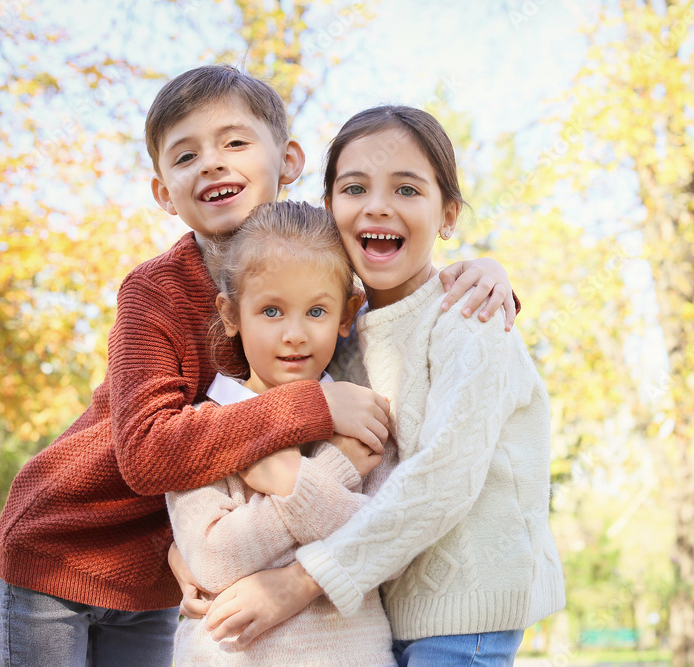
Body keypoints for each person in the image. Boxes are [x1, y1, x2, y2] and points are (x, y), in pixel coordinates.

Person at [0, 65, 515, 667]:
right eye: (186, 155)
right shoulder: (153, 292)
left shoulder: (314, 267)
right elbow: (148, 452)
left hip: (170, 568)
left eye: (235, 142)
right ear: (164, 192)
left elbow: (391, 293)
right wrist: (313, 406)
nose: (213, 163)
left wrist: (480, 278)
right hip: (61, 547)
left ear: (288, 160)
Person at [202, 106, 566, 666]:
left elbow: (444, 478)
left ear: (447, 213)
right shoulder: (337, 337)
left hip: (463, 621)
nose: (378, 205)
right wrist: (185, 559)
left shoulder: (470, 316)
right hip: (378, 617)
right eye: (354, 187)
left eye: (406, 188)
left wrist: (298, 583)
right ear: (330, 210)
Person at [168, 200, 399, 666]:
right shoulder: (204, 427)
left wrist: (293, 481)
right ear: (231, 314)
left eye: (316, 311)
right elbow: (212, 561)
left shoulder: (364, 415)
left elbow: (390, 541)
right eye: (271, 311)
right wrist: (329, 473)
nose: (294, 334)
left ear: (347, 313)